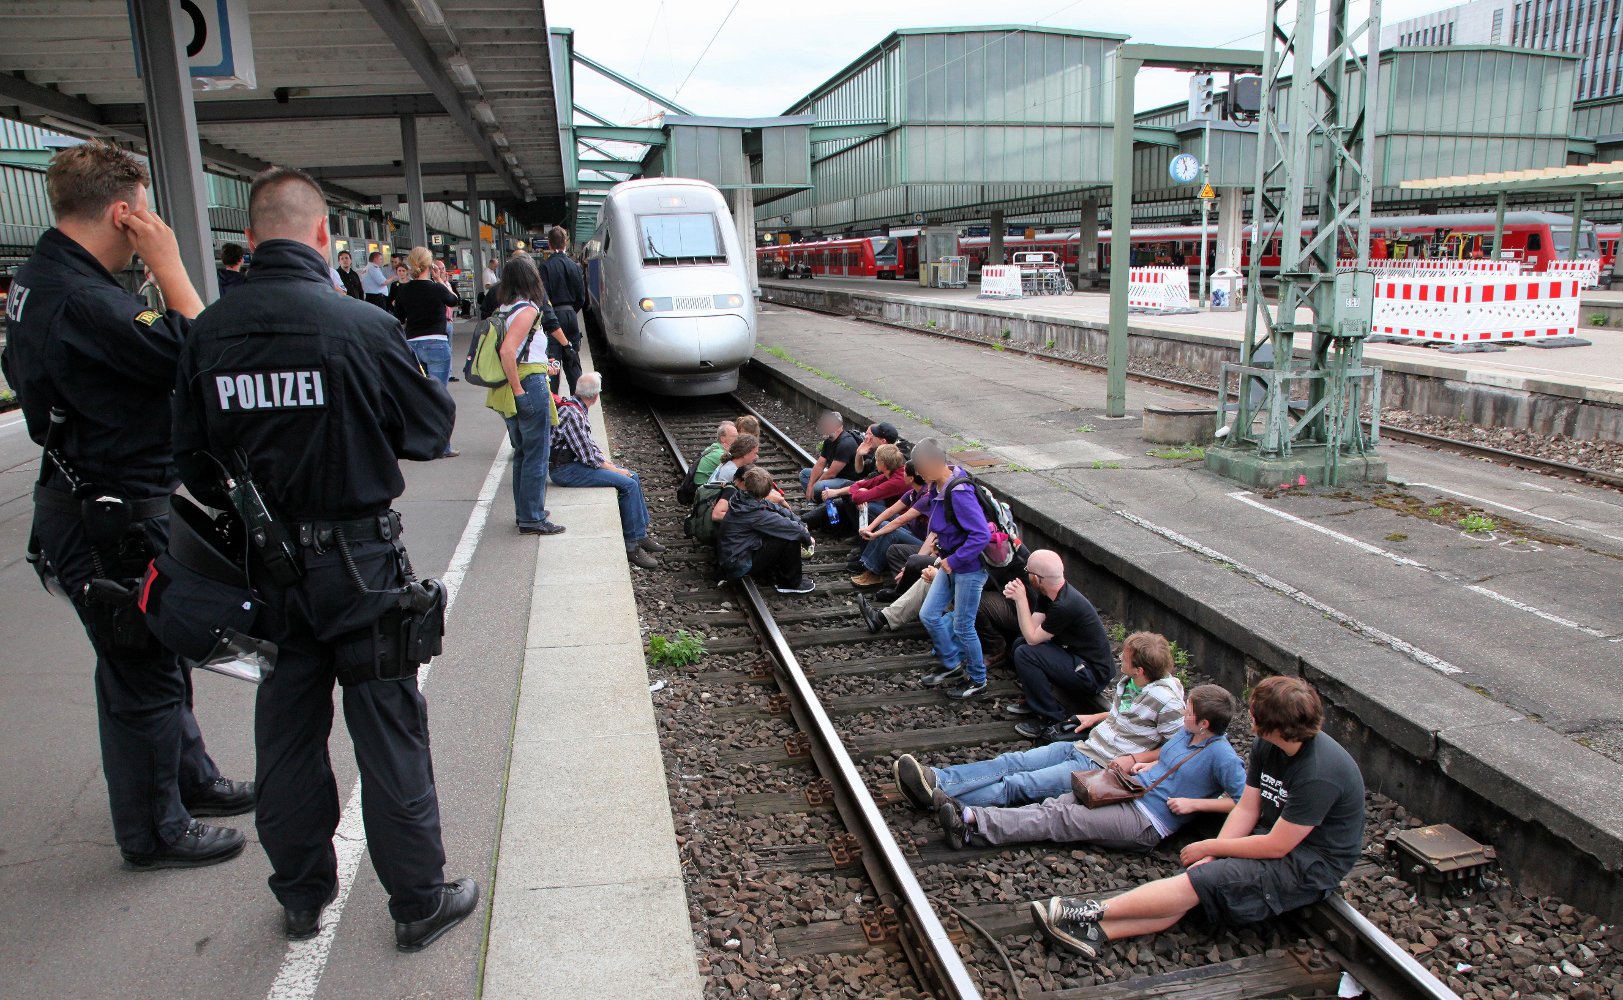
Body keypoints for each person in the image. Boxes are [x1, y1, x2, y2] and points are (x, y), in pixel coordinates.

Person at [172, 165, 477, 951]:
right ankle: (417, 902)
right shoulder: (362, 327)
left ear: (248, 240)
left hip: (265, 572)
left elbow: (191, 459)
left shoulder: (208, 333)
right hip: (362, 565)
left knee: (286, 736)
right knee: (388, 730)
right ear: (322, 238)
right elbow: (429, 432)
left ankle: (302, 897)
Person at [1, 140, 251, 872]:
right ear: (124, 212)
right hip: (105, 513)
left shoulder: (41, 278)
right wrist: (170, 267)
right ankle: (154, 832)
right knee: (137, 668)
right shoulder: (85, 299)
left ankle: (191, 781)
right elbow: (196, 349)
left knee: (155, 649)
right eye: (146, 213)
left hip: (97, 499)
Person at [1029, 677, 1366, 962]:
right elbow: (1248, 809)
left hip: (1311, 861)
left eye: (1254, 711)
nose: (1248, 715)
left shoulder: (1320, 774)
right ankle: (1097, 933)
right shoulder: (1269, 747)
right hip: (1276, 834)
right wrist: (1216, 852)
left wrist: (1211, 845)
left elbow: (1278, 847)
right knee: (1199, 875)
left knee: (1199, 881)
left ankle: (1090, 911)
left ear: (1271, 725)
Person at [892, 632, 1184, 809]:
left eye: (1127, 657)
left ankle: (938, 798)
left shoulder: (1167, 701)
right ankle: (938, 780)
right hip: (1086, 747)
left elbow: (1179, 746)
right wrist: (1096, 716)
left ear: (1141, 669)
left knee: (1018, 784)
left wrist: (1134, 759)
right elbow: (1129, 716)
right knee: (1011, 762)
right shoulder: (1133, 683)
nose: (1121, 658)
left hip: (1101, 766)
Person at [938, 685, 1244, 852]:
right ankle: (970, 819)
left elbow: (1244, 802)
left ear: (1204, 723)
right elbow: (1165, 757)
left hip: (1147, 820)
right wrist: (1139, 764)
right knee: (1057, 803)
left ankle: (972, 822)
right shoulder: (1185, 734)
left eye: (1188, 711)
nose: (1183, 712)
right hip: (1127, 789)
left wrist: (1195, 804)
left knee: (1061, 818)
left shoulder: (1223, 757)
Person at [484, 256, 566, 536]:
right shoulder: (528, 310)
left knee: (522, 452)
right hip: (527, 384)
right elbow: (508, 351)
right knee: (536, 454)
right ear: (532, 279)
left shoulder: (505, 307)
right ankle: (532, 517)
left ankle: (526, 512)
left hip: (513, 385)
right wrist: (520, 389)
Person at [550, 372, 665, 568]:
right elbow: (588, 456)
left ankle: (640, 534)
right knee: (627, 484)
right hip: (565, 470)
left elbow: (587, 446)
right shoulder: (573, 414)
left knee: (633, 476)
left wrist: (612, 466)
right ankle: (632, 546)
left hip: (572, 464)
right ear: (595, 396)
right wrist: (614, 469)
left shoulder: (576, 407)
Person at [1001, 550, 1117, 742]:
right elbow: (1031, 629)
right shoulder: (1048, 595)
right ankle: (1035, 700)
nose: (1026, 574)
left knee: (1025, 652)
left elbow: (1032, 638)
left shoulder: (1064, 605)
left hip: (1091, 674)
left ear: (1037, 579)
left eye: (1027, 571)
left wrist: (1021, 600)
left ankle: (1051, 717)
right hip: (1074, 658)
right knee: (1019, 644)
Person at [913, 438, 992, 700]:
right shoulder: (937, 486)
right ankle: (953, 665)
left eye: (922, 467)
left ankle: (978, 679)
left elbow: (980, 535)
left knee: (963, 626)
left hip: (968, 568)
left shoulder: (958, 492)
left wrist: (954, 560)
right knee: (929, 614)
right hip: (949, 563)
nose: (919, 473)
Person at [393, 248, 463, 459]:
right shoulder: (436, 289)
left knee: (417, 393)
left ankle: (417, 442)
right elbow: (454, 300)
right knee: (439, 395)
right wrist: (439, 279)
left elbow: (399, 317)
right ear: (428, 265)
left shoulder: (403, 291)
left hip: (413, 343)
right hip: (437, 343)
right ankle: (443, 446)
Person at [716, 466, 815, 594]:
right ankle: (790, 584)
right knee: (790, 537)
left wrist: (800, 522)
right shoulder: (757, 514)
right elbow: (794, 530)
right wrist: (807, 538)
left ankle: (773, 574)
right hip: (738, 565)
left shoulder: (741, 497)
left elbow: (775, 507)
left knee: (784, 532)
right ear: (767, 491)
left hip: (733, 556)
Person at [808, 442, 907, 536]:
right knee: (848, 491)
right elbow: (862, 484)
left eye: (876, 460)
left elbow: (859, 497)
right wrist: (837, 492)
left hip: (904, 520)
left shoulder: (897, 481)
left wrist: (862, 494)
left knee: (867, 506)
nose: (875, 463)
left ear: (883, 464)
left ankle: (862, 538)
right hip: (891, 509)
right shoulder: (889, 474)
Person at [538, 226, 586, 394]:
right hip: (571, 315)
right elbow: (581, 297)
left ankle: (555, 406)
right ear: (565, 242)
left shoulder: (544, 268)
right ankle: (579, 404)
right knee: (572, 359)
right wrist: (571, 312)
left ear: (549, 244)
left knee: (553, 362)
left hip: (553, 318)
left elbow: (542, 299)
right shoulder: (575, 266)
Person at [799, 410, 859, 502]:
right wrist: (810, 486)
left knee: (818, 486)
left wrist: (814, 486)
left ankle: (817, 499)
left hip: (847, 481)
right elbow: (819, 465)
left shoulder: (846, 443)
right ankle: (815, 501)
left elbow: (831, 473)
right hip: (835, 478)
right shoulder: (828, 441)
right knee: (804, 474)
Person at [691, 420, 737, 490]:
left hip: (702, 487)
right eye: (734, 436)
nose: (737, 439)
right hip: (703, 491)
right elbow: (737, 471)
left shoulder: (714, 447)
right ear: (723, 438)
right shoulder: (719, 454)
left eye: (737, 436)